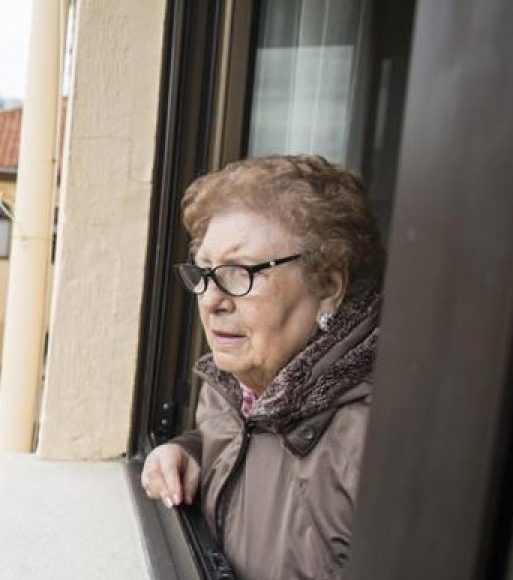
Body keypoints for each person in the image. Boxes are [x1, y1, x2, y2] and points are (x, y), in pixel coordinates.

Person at [140, 155, 385, 580]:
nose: (211, 300)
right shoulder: (232, 393)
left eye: (238, 273)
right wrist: (189, 452)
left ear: (327, 285)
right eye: (204, 272)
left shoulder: (377, 446)